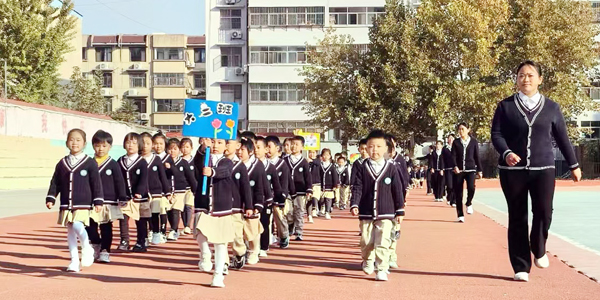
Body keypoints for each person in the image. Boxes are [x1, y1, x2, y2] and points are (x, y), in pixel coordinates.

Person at [491, 60, 581, 282]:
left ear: (540, 79)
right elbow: (497, 135)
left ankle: (538, 246)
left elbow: (562, 138)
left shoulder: (552, 107)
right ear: (517, 80)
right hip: (513, 171)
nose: (526, 79)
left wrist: (574, 164)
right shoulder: (505, 106)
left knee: (544, 211)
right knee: (517, 216)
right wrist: (506, 153)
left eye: (531, 75)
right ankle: (521, 266)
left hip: (544, 169)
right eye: (521, 75)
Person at [46, 128, 103, 272]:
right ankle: (74, 261)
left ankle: (86, 246)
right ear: (66, 143)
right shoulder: (62, 163)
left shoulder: (90, 163)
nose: (74, 143)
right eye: (71, 139)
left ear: (84, 143)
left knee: (78, 225)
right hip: (66, 202)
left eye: (78, 140)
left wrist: (98, 201)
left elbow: (96, 183)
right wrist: (51, 197)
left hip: (83, 202)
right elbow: (55, 182)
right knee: (70, 230)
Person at [350, 129, 405, 281]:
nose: (375, 150)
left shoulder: (391, 168)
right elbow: (357, 187)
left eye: (379, 146)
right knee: (366, 241)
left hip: (386, 211)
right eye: (371, 146)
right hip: (366, 211)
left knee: (383, 240)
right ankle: (367, 259)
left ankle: (381, 268)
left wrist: (400, 211)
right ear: (366, 148)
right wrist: (354, 204)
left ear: (386, 149)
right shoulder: (362, 168)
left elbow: (397, 189)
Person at [193, 138, 235, 288]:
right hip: (203, 203)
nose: (215, 145)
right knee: (200, 233)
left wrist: (212, 172)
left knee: (220, 243)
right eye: (213, 142)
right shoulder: (204, 157)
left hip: (221, 206)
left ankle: (218, 275)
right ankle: (205, 254)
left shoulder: (227, 161)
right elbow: (196, 163)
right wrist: (203, 149)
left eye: (219, 143)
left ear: (225, 146)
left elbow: (225, 171)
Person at [87, 130, 127, 263]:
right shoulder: (88, 163)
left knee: (106, 227)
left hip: (108, 201)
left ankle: (105, 250)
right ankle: (96, 243)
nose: (101, 149)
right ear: (93, 146)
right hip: (91, 201)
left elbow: (119, 181)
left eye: (104, 146)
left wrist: (122, 197)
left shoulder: (113, 164)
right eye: (98, 145)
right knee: (90, 226)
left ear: (110, 147)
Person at [225, 136, 253, 270]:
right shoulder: (217, 163)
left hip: (236, 207)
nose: (225, 145)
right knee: (222, 236)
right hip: (221, 207)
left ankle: (240, 252)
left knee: (236, 235)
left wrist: (248, 206)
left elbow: (245, 188)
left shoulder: (240, 166)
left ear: (237, 146)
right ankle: (223, 262)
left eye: (228, 143)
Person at [238, 137, 267, 265]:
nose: (239, 152)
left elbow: (261, 187)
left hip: (253, 203)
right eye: (238, 149)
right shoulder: (234, 164)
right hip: (238, 204)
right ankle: (241, 252)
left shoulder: (257, 166)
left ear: (250, 152)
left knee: (252, 229)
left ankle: (254, 251)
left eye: (242, 150)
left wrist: (258, 205)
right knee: (239, 230)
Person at [118, 132, 149, 252]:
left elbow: (143, 179)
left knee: (141, 220)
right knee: (123, 218)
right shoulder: (120, 161)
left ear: (139, 145)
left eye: (134, 143)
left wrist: (140, 192)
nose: (130, 145)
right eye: (128, 142)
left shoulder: (142, 162)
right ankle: (124, 240)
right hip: (124, 196)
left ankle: (141, 241)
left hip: (140, 198)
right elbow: (118, 179)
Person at [141, 132, 172, 246]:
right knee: (144, 215)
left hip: (156, 192)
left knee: (155, 213)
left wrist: (167, 192)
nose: (145, 146)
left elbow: (163, 177)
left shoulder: (157, 159)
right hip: (143, 193)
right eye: (143, 143)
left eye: (148, 143)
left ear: (152, 145)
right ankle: (144, 236)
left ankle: (156, 233)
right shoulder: (138, 159)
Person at [266, 135, 295, 249]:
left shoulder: (282, 164)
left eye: (269, 146)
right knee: (266, 218)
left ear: (277, 148)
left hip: (278, 195)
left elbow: (285, 181)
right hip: (266, 195)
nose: (267, 150)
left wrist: (283, 195)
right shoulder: (262, 163)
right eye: (266, 147)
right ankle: (267, 238)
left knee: (279, 216)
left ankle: (283, 236)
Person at [255, 136, 282, 258]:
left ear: (266, 149)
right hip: (253, 200)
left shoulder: (270, 167)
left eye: (258, 147)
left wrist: (278, 199)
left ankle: (263, 247)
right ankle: (251, 246)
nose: (256, 150)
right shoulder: (250, 165)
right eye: (254, 147)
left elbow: (276, 184)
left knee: (264, 223)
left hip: (267, 200)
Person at [166, 138, 197, 240]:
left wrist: (195, 189)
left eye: (175, 149)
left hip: (180, 191)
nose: (172, 151)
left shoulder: (183, 162)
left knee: (176, 209)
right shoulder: (164, 162)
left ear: (179, 150)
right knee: (169, 211)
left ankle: (174, 230)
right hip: (168, 191)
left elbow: (190, 177)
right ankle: (174, 228)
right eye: (170, 149)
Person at [451, 123, 482, 223]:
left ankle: (469, 203)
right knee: (458, 193)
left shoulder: (473, 142)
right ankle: (460, 215)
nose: (461, 131)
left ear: (468, 130)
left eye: (463, 129)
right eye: (459, 129)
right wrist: (455, 166)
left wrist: (480, 170)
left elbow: (477, 156)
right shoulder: (456, 142)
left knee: (471, 188)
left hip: (470, 169)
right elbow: (453, 156)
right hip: (459, 170)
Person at [285, 135, 313, 241]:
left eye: (296, 144)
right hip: (287, 191)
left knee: (299, 211)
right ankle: (290, 226)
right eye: (292, 144)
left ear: (302, 147)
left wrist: (309, 189)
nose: (294, 147)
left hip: (300, 191)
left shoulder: (304, 162)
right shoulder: (285, 160)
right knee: (288, 211)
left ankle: (299, 231)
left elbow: (308, 177)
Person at [154, 133, 175, 241]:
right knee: (153, 211)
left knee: (162, 210)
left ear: (165, 145)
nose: (158, 146)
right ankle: (153, 231)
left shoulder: (168, 158)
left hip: (164, 189)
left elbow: (174, 173)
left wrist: (170, 167)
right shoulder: (151, 158)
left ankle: (162, 231)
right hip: (153, 190)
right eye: (156, 144)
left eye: (161, 144)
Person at [179, 138, 196, 235]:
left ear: (191, 148)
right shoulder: (178, 161)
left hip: (190, 188)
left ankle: (188, 226)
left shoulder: (194, 161)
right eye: (183, 147)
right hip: (181, 188)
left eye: (187, 147)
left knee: (189, 206)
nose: (185, 149)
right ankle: (185, 224)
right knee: (182, 207)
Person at [319, 148, 339, 219]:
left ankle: (327, 212)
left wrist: (335, 184)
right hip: (321, 186)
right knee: (321, 199)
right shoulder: (320, 165)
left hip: (329, 186)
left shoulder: (332, 166)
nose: (325, 156)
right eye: (324, 155)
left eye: (327, 155)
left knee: (328, 199)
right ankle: (322, 208)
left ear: (330, 156)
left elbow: (335, 176)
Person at [307, 149, 321, 223]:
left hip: (316, 183)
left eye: (313, 153)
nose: (311, 154)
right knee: (309, 200)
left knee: (315, 196)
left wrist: (312, 161)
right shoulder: (306, 162)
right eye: (310, 153)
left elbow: (318, 163)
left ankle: (314, 209)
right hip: (308, 183)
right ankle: (309, 215)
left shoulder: (317, 161)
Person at [442, 134, 456, 206]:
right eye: (449, 138)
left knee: (455, 185)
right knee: (449, 185)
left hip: (456, 169)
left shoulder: (456, 147)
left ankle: (454, 201)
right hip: (448, 169)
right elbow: (442, 159)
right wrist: (442, 168)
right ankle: (449, 197)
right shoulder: (445, 148)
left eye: (452, 138)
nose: (450, 139)